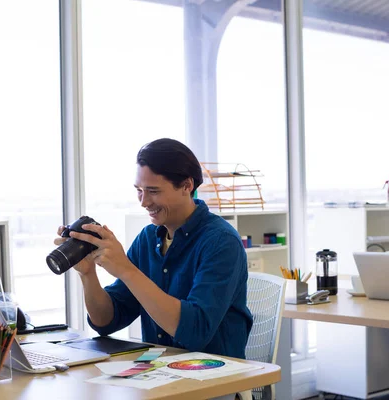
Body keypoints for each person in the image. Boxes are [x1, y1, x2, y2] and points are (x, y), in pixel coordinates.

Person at [55, 138, 253, 359]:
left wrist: (126, 270)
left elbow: (195, 331)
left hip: (215, 378)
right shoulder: (148, 239)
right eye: (139, 190)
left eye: (153, 191)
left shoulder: (221, 242)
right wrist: (88, 273)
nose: (143, 201)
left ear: (187, 186)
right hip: (157, 370)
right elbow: (106, 321)